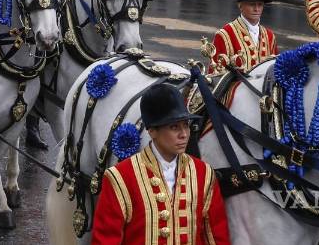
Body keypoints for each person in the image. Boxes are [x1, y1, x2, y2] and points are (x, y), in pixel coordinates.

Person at [90, 83, 230, 245]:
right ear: (152, 131)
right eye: (174, 127)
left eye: (186, 125)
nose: (184, 134)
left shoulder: (203, 173)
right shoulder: (120, 178)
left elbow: (216, 238)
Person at [208, 0, 278, 74]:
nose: (257, 9)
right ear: (240, 5)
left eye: (260, 4)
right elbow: (215, 78)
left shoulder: (270, 36)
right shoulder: (225, 35)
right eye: (252, 4)